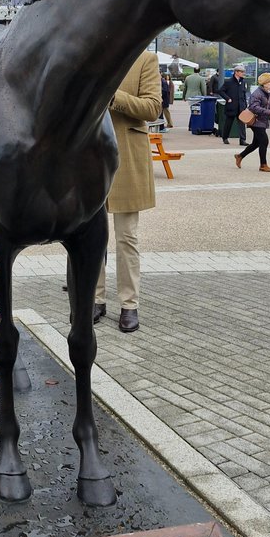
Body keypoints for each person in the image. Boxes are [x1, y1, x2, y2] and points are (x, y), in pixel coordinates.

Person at [95, 50, 162, 333]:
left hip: (126, 155)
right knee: (91, 237)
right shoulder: (92, 55)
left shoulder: (145, 59)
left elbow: (152, 107)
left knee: (127, 237)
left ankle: (129, 304)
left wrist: (113, 97)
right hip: (91, 157)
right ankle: (93, 298)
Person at [234, 72, 270, 173]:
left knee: (256, 143)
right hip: (256, 120)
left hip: (263, 120)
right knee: (264, 141)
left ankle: (240, 156)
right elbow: (254, 107)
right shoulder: (257, 93)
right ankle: (263, 165)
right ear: (264, 83)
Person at [219, 64, 248, 146]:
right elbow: (221, 91)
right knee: (228, 123)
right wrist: (228, 98)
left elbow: (244, 94)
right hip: (231, 106)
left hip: (241, 107)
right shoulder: (229, 82)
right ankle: (225, 137)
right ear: (236, 72)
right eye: (241, 72)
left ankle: (242, 140)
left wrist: (245, 105)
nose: (243, 73)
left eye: (243, 72)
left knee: (242, 124)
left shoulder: (243, 82)